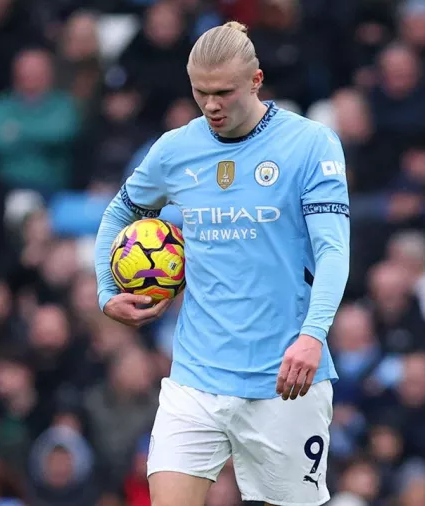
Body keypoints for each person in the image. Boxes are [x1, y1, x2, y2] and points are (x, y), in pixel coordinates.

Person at [94, 22, 350, 506]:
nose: (211, 105)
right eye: (200, 92)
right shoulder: (176, 149)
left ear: (256, 80)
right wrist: (107, 290)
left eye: (224, 92)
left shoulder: (311, 145)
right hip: (195, 379)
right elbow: (120, 211)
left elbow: (335, 250)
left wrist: (313, 335)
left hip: (284, 381)